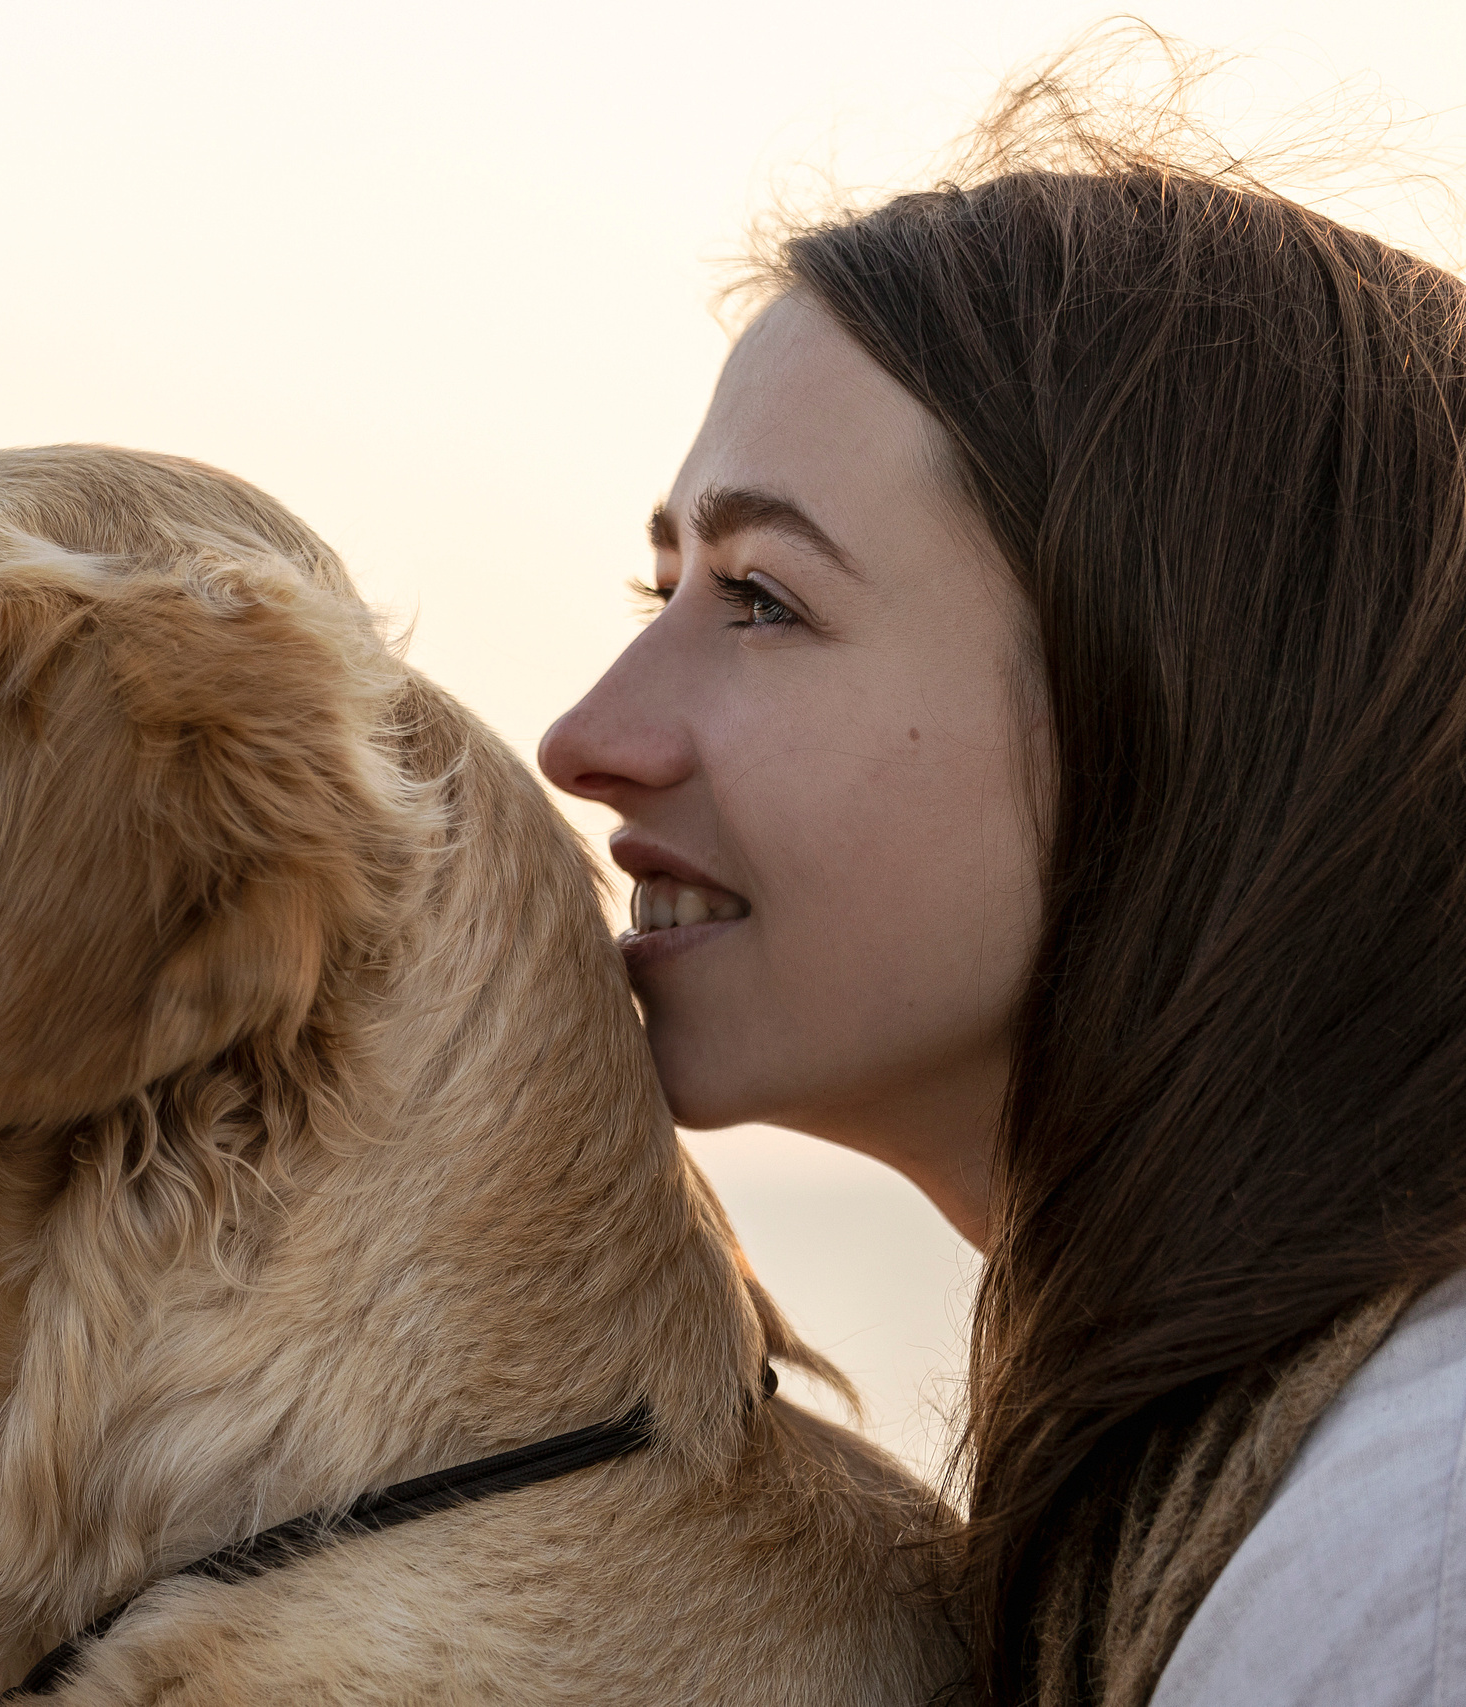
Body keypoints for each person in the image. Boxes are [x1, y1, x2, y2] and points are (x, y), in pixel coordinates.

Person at [536, 43, 1466, 1707]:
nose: (587, 737)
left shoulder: (1407, 1559)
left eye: (760, 599)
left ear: (1181, 700)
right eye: (656, 584)